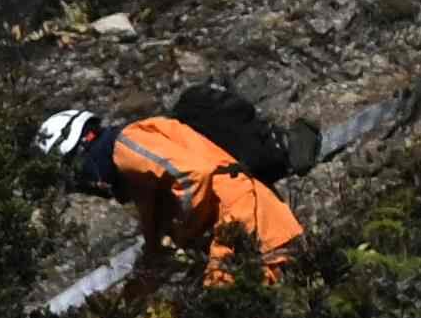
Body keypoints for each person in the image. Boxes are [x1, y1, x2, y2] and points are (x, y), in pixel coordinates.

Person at [37, 106, 303, 298]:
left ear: (81, 148)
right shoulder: (137, 180)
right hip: (244, 233)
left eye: (79, 175)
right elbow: (157, 251)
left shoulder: (126, 146)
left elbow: (193, 178)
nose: (89, 187)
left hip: (249, 227)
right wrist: (129, 304)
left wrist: (182, 234)